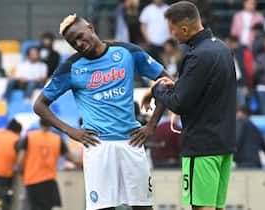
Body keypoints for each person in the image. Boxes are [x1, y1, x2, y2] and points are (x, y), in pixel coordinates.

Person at [33, 14, 167, 210]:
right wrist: (72, 132)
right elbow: (39, 105)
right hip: (98, 145)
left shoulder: (127, 52)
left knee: (143, 207)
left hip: (132, 141)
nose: (78, 43)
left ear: (91, 28)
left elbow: (166, 81)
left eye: (80, 36)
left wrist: (152, 125)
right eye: (73, 42)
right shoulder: (70, 67)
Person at [142, 2, 237, 210]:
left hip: (202, 145)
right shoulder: (222, 48)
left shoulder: (196, 56)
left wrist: (156, 88)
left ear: (184, 29)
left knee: (201, 207)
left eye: (172, 30)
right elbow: (210, 89)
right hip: (224, 143)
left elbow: (178, 104)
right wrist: (178, 84)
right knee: (215, 207)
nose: (173, 35)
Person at [16, 119, 81, 210]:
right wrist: (83, 163)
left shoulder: (29, 137)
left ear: (39, 123)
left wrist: (21, 172)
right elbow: (70, 158)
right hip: (49, 181)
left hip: (31, 180)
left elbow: (20, 160)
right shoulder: (57, 139)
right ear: (51, 125)